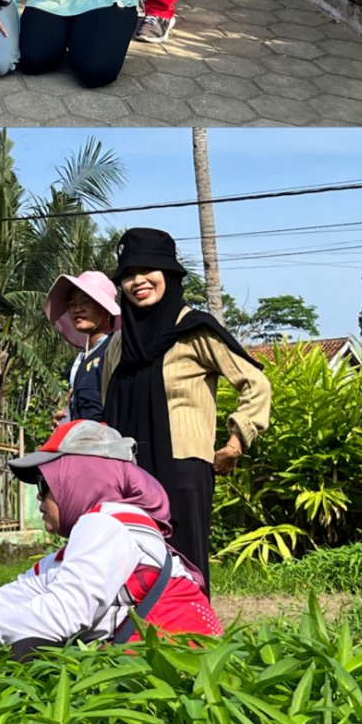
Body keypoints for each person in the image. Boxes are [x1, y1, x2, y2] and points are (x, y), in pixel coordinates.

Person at [0, 418, 222, 652]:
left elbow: (62, 616)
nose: (39, 497)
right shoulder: (104, 531)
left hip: (174, 664)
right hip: (178, 658)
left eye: (45, 483)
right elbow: (16, 594)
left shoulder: (105, 525)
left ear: (80, 478)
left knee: (23, 651)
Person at [102, 226, 272, 589]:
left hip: (181, 466)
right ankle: (132, 638)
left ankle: (191, 638)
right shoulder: (118, 344)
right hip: (126, 472)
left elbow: (255, 383)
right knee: (126, 559)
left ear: (169, 274)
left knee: (184, 561)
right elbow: (106, 409)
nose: (137, 281)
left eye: (147, 269)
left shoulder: (195, 329)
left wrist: (235, 441)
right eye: (128, 274)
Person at [45, 272, 121, 423]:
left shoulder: (115, 349)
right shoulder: (82, 357)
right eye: (72, 304)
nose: (77, 309)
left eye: (86, 301)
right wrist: (68, 419)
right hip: (82, 443)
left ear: (106, 308)